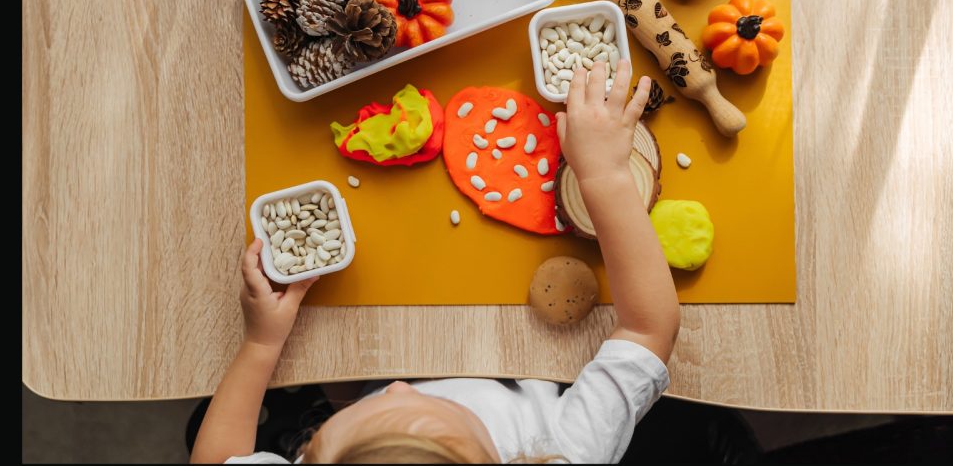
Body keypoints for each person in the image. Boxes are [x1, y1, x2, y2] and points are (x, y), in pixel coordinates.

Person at [191, 60, 681, 464]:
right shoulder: (564, 452)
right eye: (428, 403)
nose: (400, 387)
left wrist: (260, 342)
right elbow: (647, 331)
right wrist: (604, 175)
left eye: (321, 437)